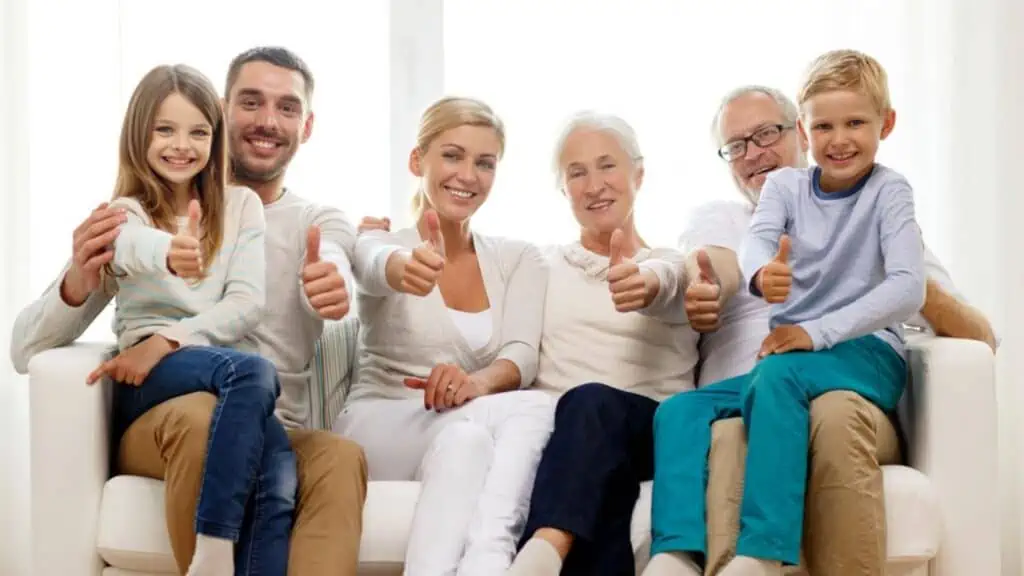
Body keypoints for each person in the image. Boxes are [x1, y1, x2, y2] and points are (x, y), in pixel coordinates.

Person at [10, 47, 367, 576]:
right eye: (251, 102)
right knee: (201, 416)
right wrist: (77, 283)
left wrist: (338, 286)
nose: (268, 121)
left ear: (306, 124)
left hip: (270, 421)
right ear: (223, 111)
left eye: (287, 107)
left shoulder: (312, 219)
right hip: (169, 413)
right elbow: (25, 348)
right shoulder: (132, 214)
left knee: (337, 458)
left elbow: (338, 255)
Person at [647, 78, 997, 576]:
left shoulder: (882, 203)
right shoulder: (730, 217)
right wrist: (744, 278)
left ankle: (764, 552)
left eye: (766, 134)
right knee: (704, 416)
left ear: (796, 134)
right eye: (736, 146)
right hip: (768, 382)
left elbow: (978, 334)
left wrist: (900, 262)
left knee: (826, 411)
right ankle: (679, 554)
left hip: (847, 382)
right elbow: (719, 264)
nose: (754, 154)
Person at [75, 62, 290, 576]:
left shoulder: (240, 206)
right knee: (255, 371)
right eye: (165, 129)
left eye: (198, 131)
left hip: (200, 366)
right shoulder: (125, 211)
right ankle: (212, 552)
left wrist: (168, 339)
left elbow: (246, 305)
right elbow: (128, 244)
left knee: (278, 466)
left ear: (215, 140)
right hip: (148, 380)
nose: (182, 145)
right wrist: (169, 250)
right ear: (139, 135)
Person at [335, 96, 553, 575]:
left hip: (460, 422)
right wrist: (402, 267)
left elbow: (521, 354)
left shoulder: (519, 258)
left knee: (468, 443)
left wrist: (475, 383)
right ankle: (492, 559)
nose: (468, 175)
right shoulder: (381, 242)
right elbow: (373, 266)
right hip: (380, 423)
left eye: (485, 163)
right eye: (452, 155)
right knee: (538, 407)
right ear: (418, 161)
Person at [504, 112, 700, 576]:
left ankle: (542, 549)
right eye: (577, 172)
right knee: (602, 487)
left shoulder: (671, 263)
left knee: (591, 402)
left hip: (651, 431)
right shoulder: (539, 265)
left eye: (607, 165)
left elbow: (668, 282)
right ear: (564, 189)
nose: (594, 185)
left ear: (638, 174)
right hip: (572, 441)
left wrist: (644, 283)